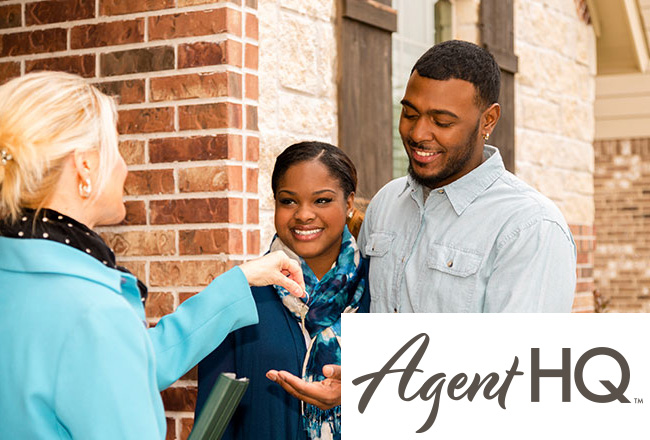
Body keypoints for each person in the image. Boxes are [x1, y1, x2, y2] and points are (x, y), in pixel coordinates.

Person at [0, 71, 305, 439]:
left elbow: (126, 363)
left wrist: (239, 281)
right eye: (117, 149)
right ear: (85, 165)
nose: (125, 168)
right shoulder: (93, 312)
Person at [359, 39, 576, 312]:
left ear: (488, 120)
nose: (417, 134)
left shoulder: (530, 227)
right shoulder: (386, 202)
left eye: (442, 122)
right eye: (410, 114)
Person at [196, 141, 370, 440]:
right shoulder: (241, 296)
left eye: (322, 201)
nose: (303, 215)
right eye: (288, 201)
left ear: (349, 202)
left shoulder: (380, 289)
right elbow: (214, 424)